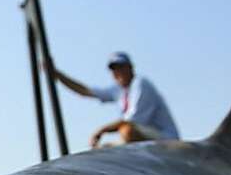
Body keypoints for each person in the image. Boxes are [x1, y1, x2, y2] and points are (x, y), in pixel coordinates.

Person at [51, 51, 179, 148]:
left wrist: (101, 131)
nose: (118, 72)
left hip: (167, 142)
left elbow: (130, 122)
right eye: (114, 69)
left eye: (121, 67)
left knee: (126, 131)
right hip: (148, 139)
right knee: (105, 149)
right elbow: (85, 91)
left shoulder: (141, 84)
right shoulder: (119, 90)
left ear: (130, 67)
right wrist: (57, 75)